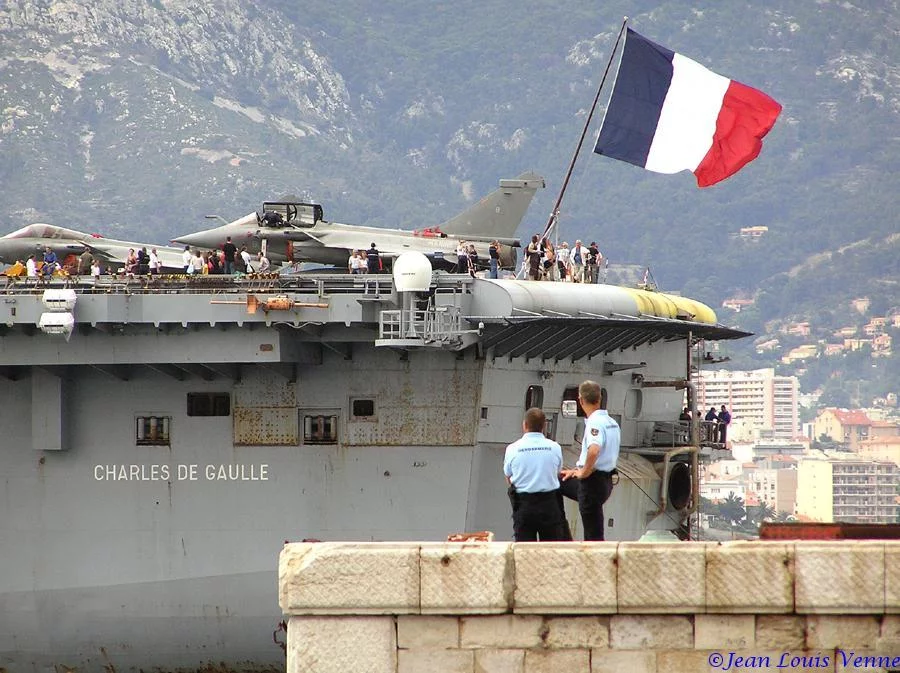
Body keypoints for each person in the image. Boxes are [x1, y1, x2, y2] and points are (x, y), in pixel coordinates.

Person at [560, 380, 621, 541]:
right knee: (557, 481)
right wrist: (576, 471)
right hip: (605, 481)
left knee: (593, 537)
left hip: (591, 483)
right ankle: (562, 534)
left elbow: (594, 449)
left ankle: (562, 535)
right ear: (599, 398)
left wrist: (583, 472)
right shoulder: (612, 423)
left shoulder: (595, 422)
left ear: (580, 400)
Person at [503, 408, 569, 542]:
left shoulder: (512, 449)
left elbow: (508, 477)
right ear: (544, 426)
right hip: (550, 504)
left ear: (525, 425)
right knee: (551, 551)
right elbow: (557, 472)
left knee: (524, 553)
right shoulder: (555, 447)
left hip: (524, 505)